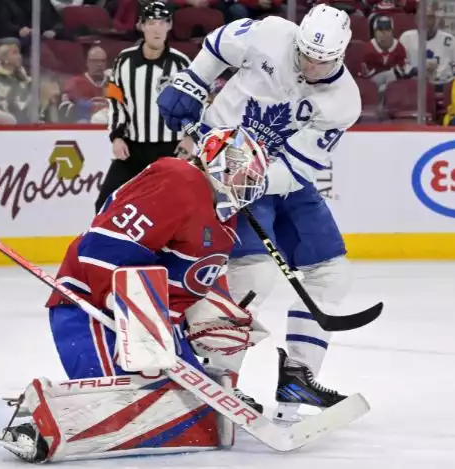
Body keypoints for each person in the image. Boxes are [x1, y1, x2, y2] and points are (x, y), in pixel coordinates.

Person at [0, 126, 271, 462]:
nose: (248, 184)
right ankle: (36, 419)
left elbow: (196, 278)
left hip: (152, 324)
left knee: (193, 416)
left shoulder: (226, 218)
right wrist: (132, 312)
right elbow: (103, 246)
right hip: (92, 307)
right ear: (217, 160)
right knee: (129, 412)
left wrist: (215, 313)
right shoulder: (179, 179)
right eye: (243, 172)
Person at [157, 4, 361, 421]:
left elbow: (298, 167)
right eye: (305, 55)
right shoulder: (270, 33)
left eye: (323, 62)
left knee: (333, 272)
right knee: (255, 272)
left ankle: (298, 377)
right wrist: (194, 80)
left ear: (341, 55)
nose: (311, 67)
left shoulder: (343, 101)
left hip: (278, 178)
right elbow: (218, 45)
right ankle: (218, 377)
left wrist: (252, 179)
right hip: (220, 157)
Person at [98, 1, 191, 213]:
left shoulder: (181, 64)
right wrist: (117, 136)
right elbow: (115, 99)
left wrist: (189, 137)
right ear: (141, 25)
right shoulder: (124, 61)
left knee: (169, 209)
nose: (157, 28)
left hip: (170, 150)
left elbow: (195, 104)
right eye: (151, 22)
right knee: (105, 204)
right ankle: (110, 246)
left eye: (163, 22)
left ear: (170, 26)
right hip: (133, 149)